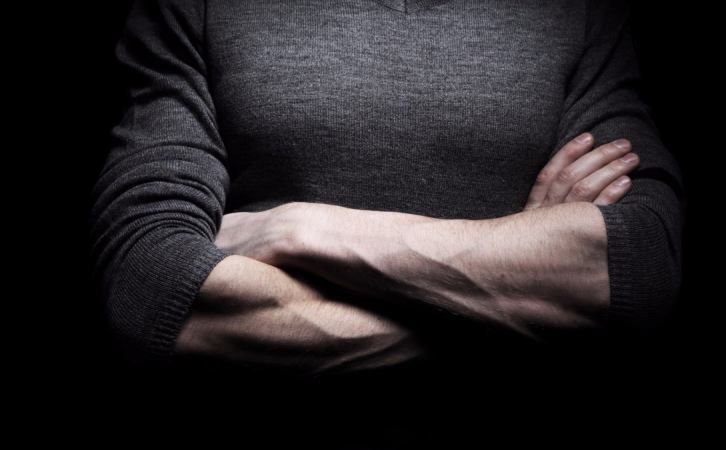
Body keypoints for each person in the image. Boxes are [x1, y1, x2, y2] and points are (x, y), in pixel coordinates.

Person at [89, 0, 684, 374]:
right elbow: (153, 290)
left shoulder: (579, 12)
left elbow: (639, 268)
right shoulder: (195, 7)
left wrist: (304, 229)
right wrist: (526, 309)